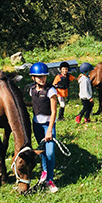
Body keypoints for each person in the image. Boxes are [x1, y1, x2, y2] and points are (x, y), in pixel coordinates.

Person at [28, 62, 59, 193]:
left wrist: (50, 130)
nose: (42, 79)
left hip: (48, 125)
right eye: (39, 77)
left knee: (50, 153)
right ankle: (44, 172)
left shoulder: (51, 91)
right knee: (42, 151)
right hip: (36, 124)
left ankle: (50, 180)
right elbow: (35, 103)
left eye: (44, 76)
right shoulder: (31, 90)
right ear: (33, 78)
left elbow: (54, 112)